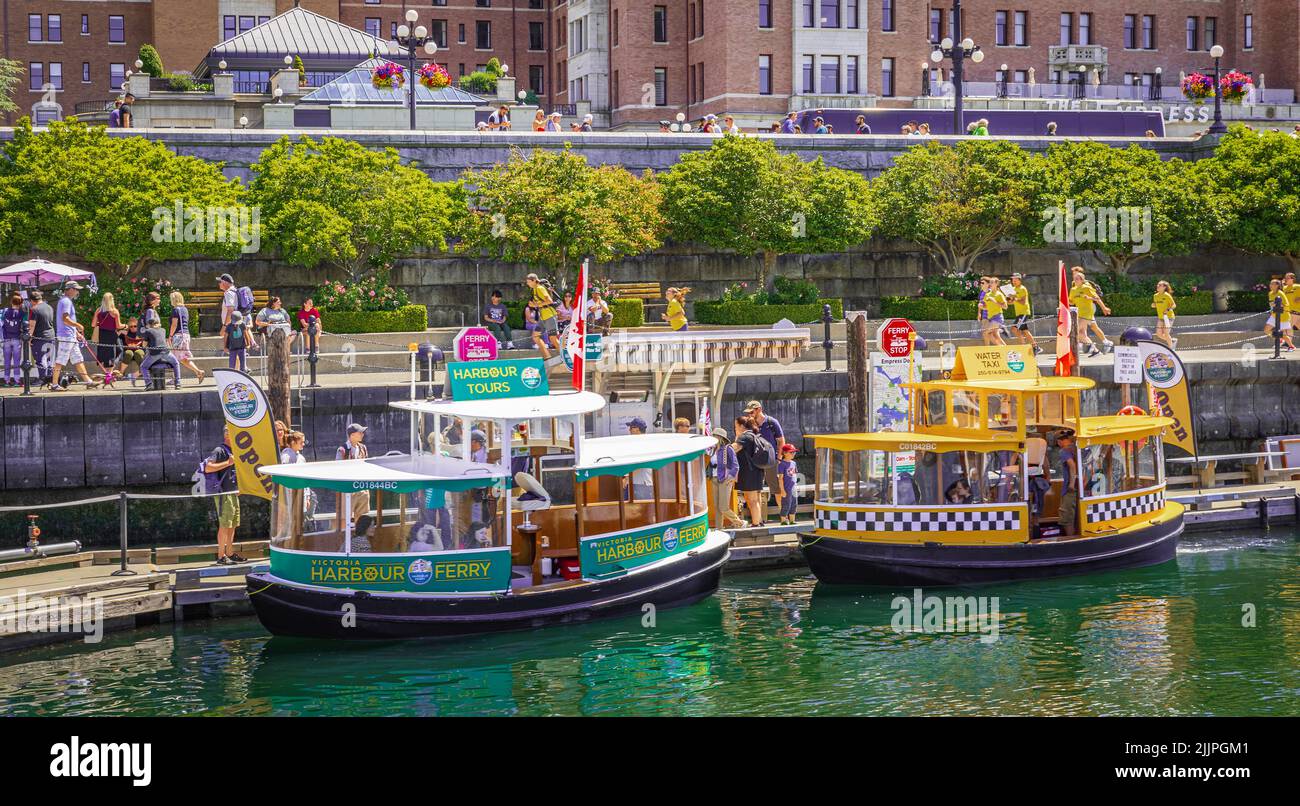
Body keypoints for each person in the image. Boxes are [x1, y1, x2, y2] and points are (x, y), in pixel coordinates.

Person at [204, 427, 245, 565]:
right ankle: (221, 556)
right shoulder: (219, 450)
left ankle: (230, 553)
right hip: (223, 493)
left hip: (233, 492)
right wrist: (228, 462)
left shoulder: (235, 450)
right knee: (224, 525)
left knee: (232, 525)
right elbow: (208, 467)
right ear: (227, 435)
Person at [744, 400, 785, 520]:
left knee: (776, 489)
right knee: (756, 490)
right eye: (748, 412)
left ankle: (784, 517)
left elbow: (781, 440)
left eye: (752, 412)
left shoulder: (771, 422)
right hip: (755, 461)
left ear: (759, 409)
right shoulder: (750, 424)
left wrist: (779, 457)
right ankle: (759, 520)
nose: (749, 414)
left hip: (771, 460)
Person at [49, 282, 94, 391]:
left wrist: (77, 334)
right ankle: (54, 384)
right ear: (70, 289)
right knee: (60, 360)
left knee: (78, 359)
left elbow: (66, 321)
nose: (77, 292)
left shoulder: (65, 301)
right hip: (66, 336)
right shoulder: (66, 301)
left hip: (69, 335)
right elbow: (66, 319)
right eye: (76, 289)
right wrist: (78, 325)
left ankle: (88, 381)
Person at [733, 416, 767, 527]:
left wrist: (720, 448)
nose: (735, 428)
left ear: (742, 426)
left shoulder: (745, 436)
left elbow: (733, 449)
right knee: (755, 498)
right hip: (757, 470)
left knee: (752, 500)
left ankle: (756, 524)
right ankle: (759, 520)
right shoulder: (753, 435)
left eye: (736, 426)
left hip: (749, 471)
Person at [1069, 269, 1113, 356]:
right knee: (1081, 332)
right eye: (1075, 278)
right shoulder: (1073, 289)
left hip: (1087, 313)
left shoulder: (1086, 287)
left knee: (1075, 331)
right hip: (1079, 313)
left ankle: (1087, 346)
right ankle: (1095, 350)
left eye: (1078, 278)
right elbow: (1071, 302)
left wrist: (1104, 308)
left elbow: (1097, 298)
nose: (1075, 279)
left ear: (1082, 280)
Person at [708, 427, 744, 529]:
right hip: (714, 478)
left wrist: (730, 477)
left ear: (719, 437)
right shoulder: (713, 450)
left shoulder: (728, 448)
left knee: (723, 507)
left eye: (714, 436)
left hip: (724, 479)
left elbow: (735, 465)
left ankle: (740, 523)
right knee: (717, 507)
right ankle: (719, 528)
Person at [337, 423, 372, 527]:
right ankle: (343, 540)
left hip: (362, 487)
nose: (362, 434)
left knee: (362, 518)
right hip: (348, 488)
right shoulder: (342, 450)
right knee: (344, 517)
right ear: (352, 435)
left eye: (362, 432)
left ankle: (359, 540)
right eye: (360, 432)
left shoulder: (363, 448)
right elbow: (337, 470)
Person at [167, 291, 204, 383]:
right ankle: (198, 372)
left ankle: (175, 379)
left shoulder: (176, 310)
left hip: (178, 336)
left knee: (174, 358)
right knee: (183, 358)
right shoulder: (185, 309)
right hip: (185, 335)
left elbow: (174, 325)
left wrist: (170, 336)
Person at [140, 315, 181, 389]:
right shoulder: (163, 330)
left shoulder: (148, 331)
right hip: (166, 352)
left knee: (143, 367)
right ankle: (178, 383)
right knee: (176, 363)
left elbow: (144, 345)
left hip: (155, 353)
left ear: (149, 325)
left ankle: (149, 384)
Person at [526, 273, 559, 358]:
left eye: (529, 282)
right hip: (542, 318)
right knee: (535, 336)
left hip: (549, 316)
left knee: (553, 339)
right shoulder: (534, 289)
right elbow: (539, 302)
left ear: (534, 280)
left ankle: (566, 357)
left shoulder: (540, 288)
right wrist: (533, 304)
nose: (527, 284)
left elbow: (549, 301)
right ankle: (547, 357)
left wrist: (535, 305)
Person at [90, 293, 123, 376]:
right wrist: (125, 326)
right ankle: (110, 373)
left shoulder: (98, 310)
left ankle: (107, 373)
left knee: (103, 353)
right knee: (116, 351)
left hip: (101, 334)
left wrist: (100, 323)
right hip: (112, 334)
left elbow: (93, 325)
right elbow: (118, 326)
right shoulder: (115, 311)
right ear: (112, 300)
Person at [26, 290, 55, 386]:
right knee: (50, 360)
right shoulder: (49, 307)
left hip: (39, 338)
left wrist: (29, 338)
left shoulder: (34, 309)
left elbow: (31, 326)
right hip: (51, 336)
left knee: (40, 359)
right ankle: (50, 378)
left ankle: (42, 379)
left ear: (31, 300)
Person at [622, 418, 655, 500]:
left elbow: (640, 465)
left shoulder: (642, 444)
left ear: (637, 430)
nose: (629, 430)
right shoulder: (643, 443)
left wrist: (626, 479)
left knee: (638, 511)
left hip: (640, 485)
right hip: (638, 484)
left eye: (631, 428)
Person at [1009, 274, 1040, 354]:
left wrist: (1014, 298)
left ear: (1019, 280)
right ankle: (1036, 347)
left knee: (1014, 329)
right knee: (1025, 331)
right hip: (1019, 313)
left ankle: (1023, 347)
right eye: (1012, 280)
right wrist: (1010, 299)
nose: (1014, 281)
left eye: (1015, 280)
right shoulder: (1013, 289)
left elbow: (1023, 302)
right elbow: (1011, 302)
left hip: (1024, 313)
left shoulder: (1022, 288)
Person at [1055, 430, 1079, 536]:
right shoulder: (1077, 448)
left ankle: (1071, 540)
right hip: (1081, 486)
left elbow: (1072, 465)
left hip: (1071, 488)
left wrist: (1071, 484)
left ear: (1059, 441)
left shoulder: (1064, 450)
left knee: (1066, 517)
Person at [1265, 278, 1296, 351]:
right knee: (1266, 330)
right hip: (1274, 315)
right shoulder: (1270, 293)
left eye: (1272, 284)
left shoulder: (1280, 293)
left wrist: (1278, 304)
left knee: (1283, 334)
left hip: (1283, 316)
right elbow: (1271, 304)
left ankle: (1291, 346)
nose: (1270, 285)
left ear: (1277, 285)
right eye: (1270, 283)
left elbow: (1286, 305)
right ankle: (1279, 338)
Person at [1, 294, 23, 386]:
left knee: (7, 361)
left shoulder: (4, 311)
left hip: (6, 339)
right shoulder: (22, 313)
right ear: (20, 303)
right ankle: (17, 380)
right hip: (17, 339)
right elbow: (24, 326)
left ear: (11, 302)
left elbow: (1, 324)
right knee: (17, 361)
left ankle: (6, 380)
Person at [980, 276, 1008, 346]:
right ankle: (1005, 349)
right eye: (990, 282)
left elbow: (1005, 307)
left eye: (992, 282)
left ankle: (990, 349)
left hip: (997, 317)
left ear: (996, 284)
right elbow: (986, 307)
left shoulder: (999, 294)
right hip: (990, 317)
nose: (990, 284)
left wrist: (995, 301)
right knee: (995, 335)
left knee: (986, 333)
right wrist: (981, 306)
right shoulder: (987, 295)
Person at [777, 444, 799, 525]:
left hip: (794, 488)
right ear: (785, 453)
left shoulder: (793, 463)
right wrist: (782, 490)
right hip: (786, 489)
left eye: (794, 452)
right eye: (791, 452)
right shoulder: (782, 464)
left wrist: (796, 486)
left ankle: (792, 520)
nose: (793, 454)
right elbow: (780, 478)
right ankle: (783, 520)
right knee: (786, 504)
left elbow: (795, 475)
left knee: (794, 504)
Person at [1152, 280, 1177, 348]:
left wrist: (1168, 309)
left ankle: (1171, 349)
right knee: (1159, 334)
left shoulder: (1167, 295)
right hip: (1161, 317)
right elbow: (1156, 304)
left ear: (1164, 287)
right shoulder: (1155, 296)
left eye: (1160, 285)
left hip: (1169, 317)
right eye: (1157, 285)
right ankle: (1172, 341)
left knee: (1166, 333)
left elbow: (1174, 305)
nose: (1157, 286)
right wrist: (1154, 305)